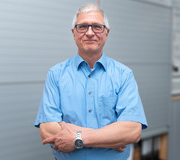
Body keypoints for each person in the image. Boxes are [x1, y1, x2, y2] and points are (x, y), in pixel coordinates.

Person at [35, 3, 147, 160]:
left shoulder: (124, 75)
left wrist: (77, 138)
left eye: (96, 27)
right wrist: (109, 141)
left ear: (106, 33)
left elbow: (132, 131)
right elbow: (47, 129)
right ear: (74, 33)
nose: (89, 33)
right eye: (82, 27)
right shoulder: (56, 74)